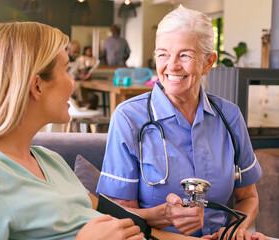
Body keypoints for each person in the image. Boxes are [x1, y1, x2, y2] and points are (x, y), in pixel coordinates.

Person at [0, 22, 144, 240]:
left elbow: (129, 222)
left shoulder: (49, 161)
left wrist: (155, 216)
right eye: (66, 70)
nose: (73, 83)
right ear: (37, 86)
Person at [96, 5, 263, 239]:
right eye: (163, 54)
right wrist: (164, 215)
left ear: (208, 62)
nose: (172, 65)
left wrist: (236, 230)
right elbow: (120, 216)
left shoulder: (230, 117)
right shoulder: (128, 118)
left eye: (185, 55)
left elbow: (248, 197)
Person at [67, 40, 98, 110]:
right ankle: (81, 104)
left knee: (94, 98)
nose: (76, 54)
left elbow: (82, 71)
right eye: (74, 52)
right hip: (68, 89)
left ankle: (86, 114)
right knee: (77, 85)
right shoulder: (64, 60)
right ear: (68, 49)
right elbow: (65, 75)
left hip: (77, 87)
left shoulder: (78, 61)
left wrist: (86, 72)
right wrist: (77, 77)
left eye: (78, 52)